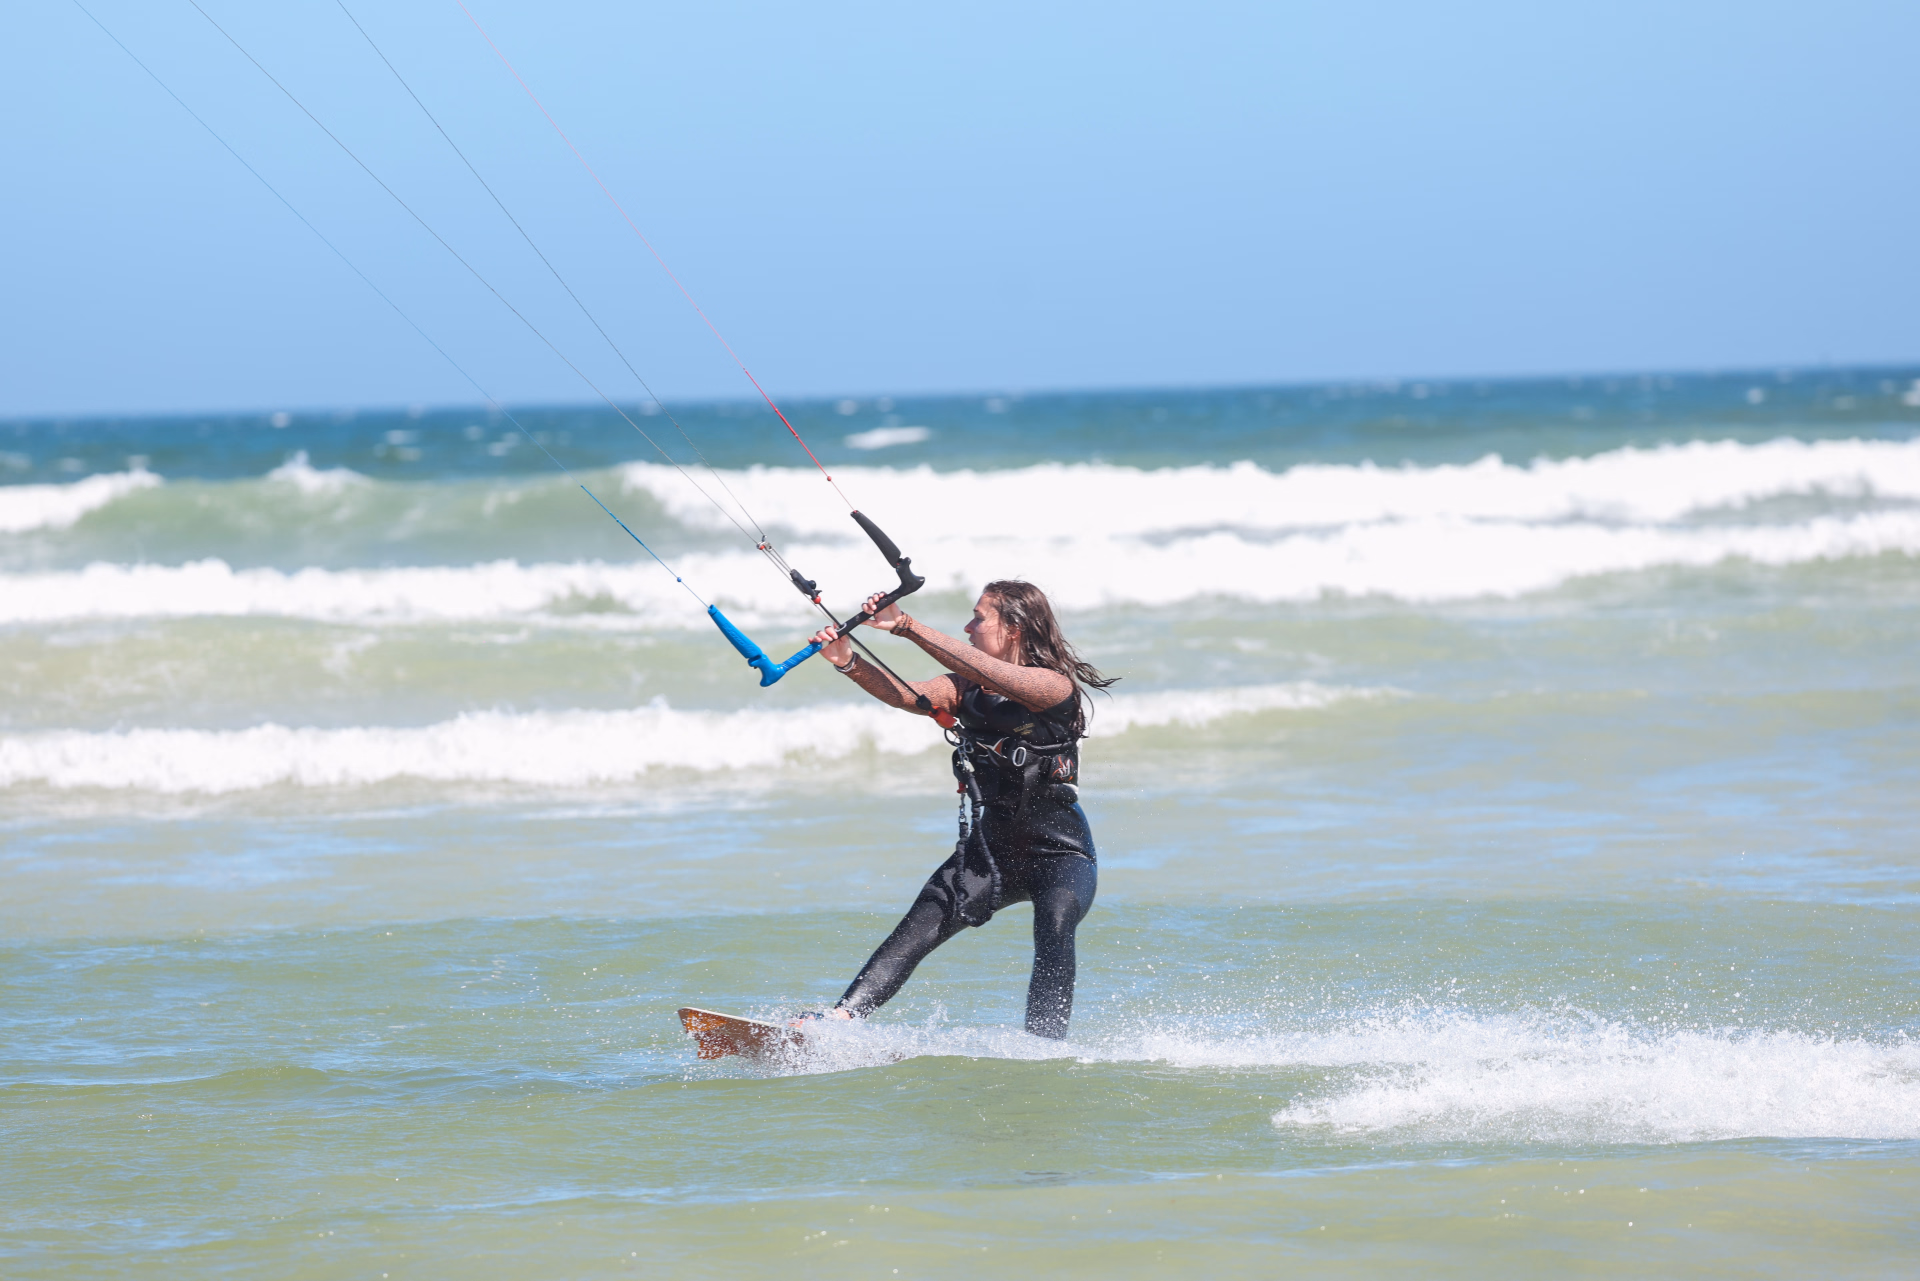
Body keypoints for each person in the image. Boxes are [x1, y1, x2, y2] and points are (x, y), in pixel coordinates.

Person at [802, 580, 1116, 1038]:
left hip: (1061, 852)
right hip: (992, 849)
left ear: (1014, 628)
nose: (968, 628)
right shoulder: (967, 688)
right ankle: (838, 1020)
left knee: (1054, 926)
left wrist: (905, 625)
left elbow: (992, 673)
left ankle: (1044, 1046)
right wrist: (848, 662)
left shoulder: (1053, 687)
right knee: (920, 923)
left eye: (979, 618)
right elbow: (909, 695)